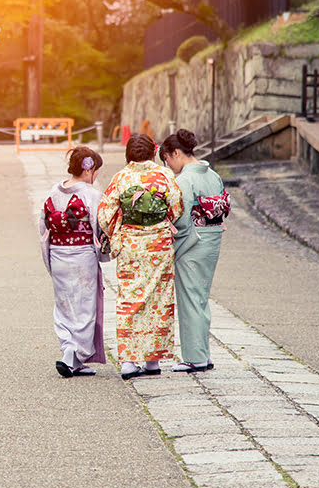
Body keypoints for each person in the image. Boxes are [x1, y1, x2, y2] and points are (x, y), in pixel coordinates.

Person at [97, 134, 184, 380]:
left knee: (129, 299)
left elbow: (104, 214)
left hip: (131, 247)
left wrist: (119, 229)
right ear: (153, 152)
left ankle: (128, 361)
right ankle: (152, 361)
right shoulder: (164, 175)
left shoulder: (121, 177)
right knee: (158, 300)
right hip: (158, 246)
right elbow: (176, 207)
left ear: (129, 154)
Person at [160, 129, 231, 373]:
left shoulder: (184, 180)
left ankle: (195, 357)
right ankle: (203, 354)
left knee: (190, 298)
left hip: (192, 242)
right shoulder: (212, 175)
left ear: (176, 153)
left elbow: (180, 218)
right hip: (212, 238)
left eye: (168, 159)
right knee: (200, 297)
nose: (169, 166)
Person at [39, 146, 109, 378]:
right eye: (96, 170)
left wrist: (49, 255)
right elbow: (101, 229)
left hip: (58, 254)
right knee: (85, 307)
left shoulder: (54, 191)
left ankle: (69, 351)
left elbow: (44, 226)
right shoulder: (92, 194)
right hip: (82, 257)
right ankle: (73, 356)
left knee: (64, 305)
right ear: (89, 170)